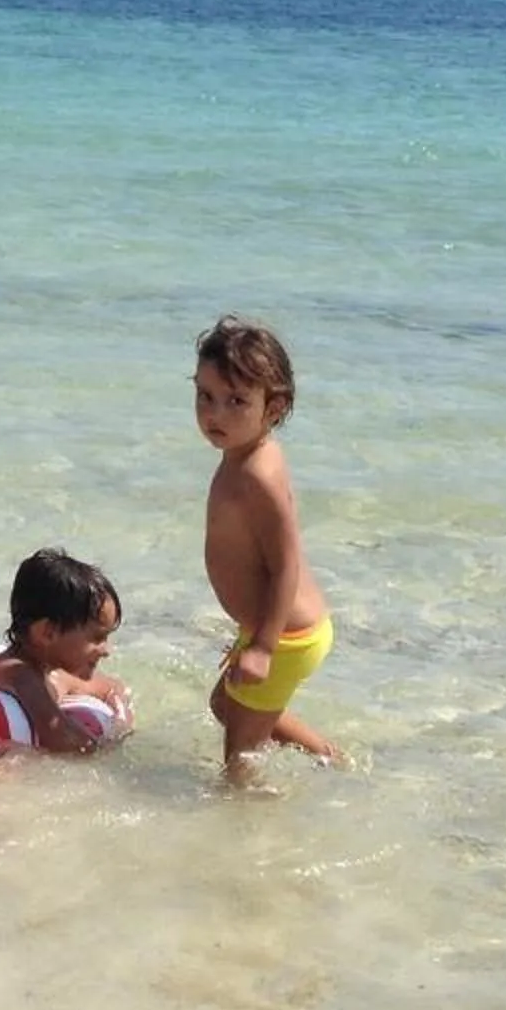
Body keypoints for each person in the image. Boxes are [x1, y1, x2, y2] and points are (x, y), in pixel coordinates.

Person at [194, 316, 344, 773]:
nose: (215, 413)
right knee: (225, 705)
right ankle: (328, 759)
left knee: (239, 759)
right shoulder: (244, 455)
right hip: (276, 631)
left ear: (273, 408)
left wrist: (262, 646)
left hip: (286, 638)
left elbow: (285, 566)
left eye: (236, 401)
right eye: (205, 396)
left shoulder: (257, 474)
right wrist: (252, 635)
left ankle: (249, 829)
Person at [0, 548, 131, 754]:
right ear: (47, 632)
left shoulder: (52, 672)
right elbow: (63, 739)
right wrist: (107, 747)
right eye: (97, 638)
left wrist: (120, 715)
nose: (106, 650)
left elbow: (112, 687)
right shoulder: (19, 674)